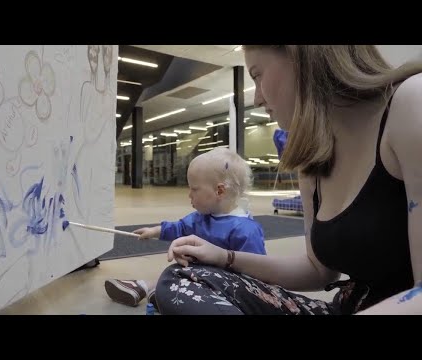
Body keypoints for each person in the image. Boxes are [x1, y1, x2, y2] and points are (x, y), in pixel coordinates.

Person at [154, 45, 422, 315]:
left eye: (257, 75)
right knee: (183, 279)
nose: (258, 98)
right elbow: (318, 271)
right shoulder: (314, 159)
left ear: (301, 56)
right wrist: (225, 257)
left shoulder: (411, 103)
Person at [104, 147, 267, 308]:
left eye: (194, 189)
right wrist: (154, 231)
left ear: (219, 191)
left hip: (227, 288)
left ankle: (150, 288)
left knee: (177, 274)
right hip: (198, 277)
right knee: (177, 269)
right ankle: (154, 290)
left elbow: (256, 272)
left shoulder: (246, 230)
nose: (189, 195)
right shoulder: (201, 218)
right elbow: (180, 228)